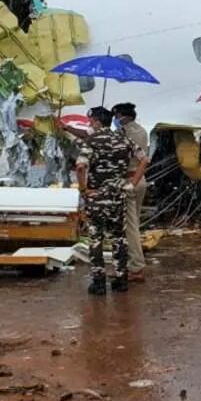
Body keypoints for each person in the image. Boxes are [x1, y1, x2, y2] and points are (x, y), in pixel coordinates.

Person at [75, 106, 136, 296]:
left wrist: (84, 189)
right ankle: (121, 279)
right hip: (118, 196)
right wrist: (132, 181)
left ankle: (99, 282)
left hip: (97, 197)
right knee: (119, 238)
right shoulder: (123, 138)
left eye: (91, 121)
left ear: (97, 122)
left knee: (96, 239)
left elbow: (80, 166)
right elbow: (144, 159)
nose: (89, 124)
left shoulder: (91, 141)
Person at [112, 102, 150, 282]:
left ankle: (136, 266)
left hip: (129, 179)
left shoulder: (122, 134)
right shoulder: (142, 131)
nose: (115, 120)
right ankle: (132, 261)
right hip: (140, 180)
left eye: (116, 116)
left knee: (130, 226)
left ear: (121, 116)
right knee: (134, 222)